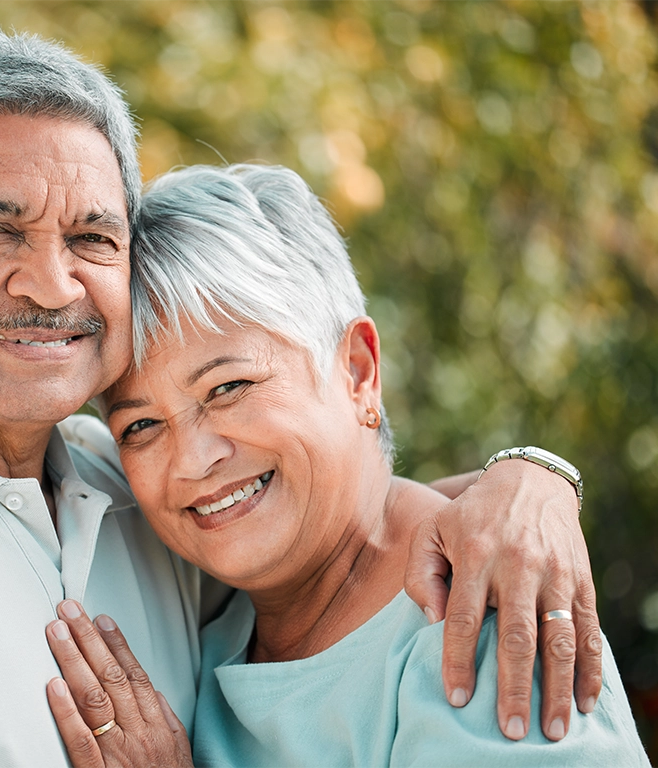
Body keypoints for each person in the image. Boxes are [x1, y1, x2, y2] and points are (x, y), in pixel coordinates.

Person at [0, 31, 597, 766]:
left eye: (93, 237)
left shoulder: (132, 492)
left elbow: (328, 516)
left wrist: (530, 485)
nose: (51, 285)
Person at [44, 163, 649, 767]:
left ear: (358, 371)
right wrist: (532, 475)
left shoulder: (481, 615)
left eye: (228, 387)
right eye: (141, 425)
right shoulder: (221, 616)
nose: (193, 462)